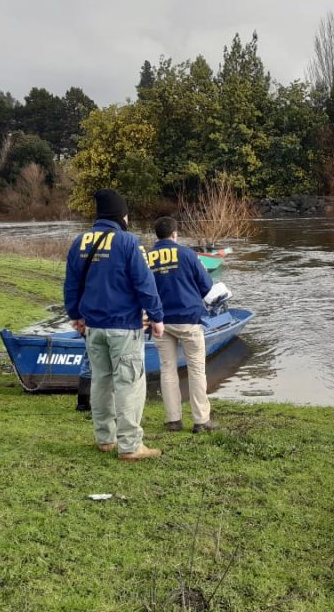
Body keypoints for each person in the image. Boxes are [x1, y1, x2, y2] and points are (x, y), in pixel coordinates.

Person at [64, 189, 166, 462]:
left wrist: (75, 315)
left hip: (93, 327)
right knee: (129, 384)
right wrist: (156, 317)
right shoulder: (127, 242)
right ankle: (131, 445)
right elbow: (145, 283)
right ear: (120, 214)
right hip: (123, 326)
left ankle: (105, 439)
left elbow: (72, 283)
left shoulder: (80, 242)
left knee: (101, 381)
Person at [148, 216, 218, 434]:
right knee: (196, 370)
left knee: (167, 369)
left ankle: (173, 421)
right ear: (175, 234)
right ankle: (200, 421)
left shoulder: (147, 257)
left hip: (161, 321)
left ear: (156, 235)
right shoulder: (188, 254)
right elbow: (207, 287)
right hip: (188, 319)